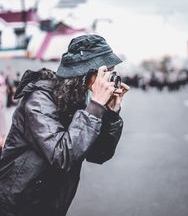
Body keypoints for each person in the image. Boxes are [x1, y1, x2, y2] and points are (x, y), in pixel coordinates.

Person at [0, 34, 129, 216]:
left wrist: (111, 113)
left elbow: (98, 154)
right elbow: (62, 155)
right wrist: (96, 106)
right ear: (86, 74)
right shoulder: (38, 99)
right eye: (105, 72)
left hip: (51, 202)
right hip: (19, 203)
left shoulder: (81, 97)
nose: (109, 79)